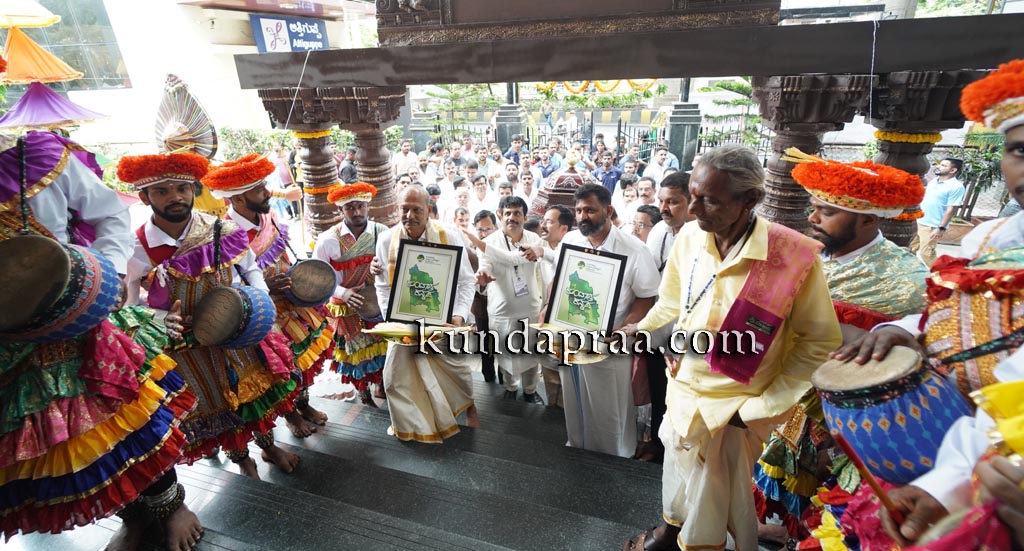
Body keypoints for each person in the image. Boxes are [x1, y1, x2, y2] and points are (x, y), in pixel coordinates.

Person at [830, 58, 1024, 550]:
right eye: (1020, 149)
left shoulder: (904, 271)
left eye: (827, 210)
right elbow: (960, 315)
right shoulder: (989, 239)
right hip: (952, 451)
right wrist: (908, 328)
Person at [622, 144, 842, 551]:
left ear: (750, 199)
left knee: (716, 495)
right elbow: (672, 303)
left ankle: (686, 542)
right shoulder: (690, 236)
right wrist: (641, 328)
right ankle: (670, 532)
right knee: (678, 470)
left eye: (710, 200)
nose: (694, 210)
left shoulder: (791, 256)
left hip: (737, 406)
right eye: (693, 195)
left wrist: (760, 408)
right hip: (683, 384)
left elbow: (818, 342)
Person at [0, 131, 200, 551]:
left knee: (125, 420)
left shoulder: (35, 155)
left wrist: (107, 275)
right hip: (8, 343)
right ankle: (133, 514)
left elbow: (110, 215)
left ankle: (172, 507)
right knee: (69, 444)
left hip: (78, 316)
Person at [753, 151, 931, 546]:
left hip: (854, 416)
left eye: (827, 211)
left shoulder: (908, 280)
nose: (813, 218)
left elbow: (916, 359)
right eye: (814, 208)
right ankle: (787, 532)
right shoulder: (806, 256)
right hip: (791, 395)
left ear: (868, 220)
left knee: (835, 499)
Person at [122, 152, 301, 481]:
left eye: (182, 188)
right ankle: (241, 458)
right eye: (162, 191)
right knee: (211, 404)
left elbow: (250, 270)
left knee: (253, 396)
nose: (175, 197)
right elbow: (130, 306)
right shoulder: (137, 247)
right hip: (184, 345)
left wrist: (261, 302)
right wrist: (159, 319)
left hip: (236, 331)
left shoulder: (222, 229)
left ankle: (268, 446)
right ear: (144, 197)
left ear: (193, 190)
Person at [205, 154, 335, 438]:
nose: (267, 192)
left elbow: (283, 254)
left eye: (264, 185)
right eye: (259, 189)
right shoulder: (225, 235)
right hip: (261, 313)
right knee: (279, 370)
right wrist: (265, 287)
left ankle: (304, 404)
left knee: (301, 360)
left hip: (291, 302)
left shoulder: (268, 216)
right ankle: (291, 416)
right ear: (238, 198)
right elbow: (228, 286)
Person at [555, 183, 660, 458]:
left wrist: (626, 329)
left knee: (610, 406)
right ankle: (578, 447)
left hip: (611, 341)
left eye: (590, 210)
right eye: (579, 211)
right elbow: (559, 281)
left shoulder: (634, 249)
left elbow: (646, 296)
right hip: (572, 336)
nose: (583, 217)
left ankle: (617, 456)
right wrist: (547, 309)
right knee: (574, 397)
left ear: (608, 210)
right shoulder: (570, 241)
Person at [374, 186, 481, 441]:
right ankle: (411, 425)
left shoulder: (449, 235)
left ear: (429, 210)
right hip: (404, 321)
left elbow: (467, 280)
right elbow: (382, 286)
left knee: (455, 372)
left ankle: (469, 407)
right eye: (404, 209)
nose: (409, 215)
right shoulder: (386, 240)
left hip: (444, 319)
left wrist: (458, 316)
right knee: (394, 377)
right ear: (397, 209)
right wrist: (393, 319)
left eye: (416, 209)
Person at [313, 183, 390, 406]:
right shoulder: (327, 239)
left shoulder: (382, 232)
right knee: (356, 352)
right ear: (340, 210)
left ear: (368, 206)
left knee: (383, 346)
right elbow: (318, 277)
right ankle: (363, 392)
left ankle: (382, 384)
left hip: (376, 300)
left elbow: (393, 264)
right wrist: (343, 293)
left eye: (360, 206)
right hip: (345, 306)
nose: (356, 212)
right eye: (350, 208)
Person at [476, 196, 547, 402]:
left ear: (525, 217)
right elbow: (485, 265)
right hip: (502, 310)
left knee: (531, 355)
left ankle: (530, 391)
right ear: (500, 215)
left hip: (530, 308)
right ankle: (510, 387)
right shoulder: (488, 243)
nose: (512, 217)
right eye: (507, 213)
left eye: (517, 213)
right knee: (505, 355)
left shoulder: (535, 240)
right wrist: (482, 276)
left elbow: (542, 270)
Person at [912, 157, 965, 267]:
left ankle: (943, 274)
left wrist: (940, 228)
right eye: (940, 164)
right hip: (918, 221)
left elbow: (951, 210)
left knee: (927, 254)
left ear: (953, 170)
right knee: (909, 249)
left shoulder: (956, 187)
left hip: (932, 226)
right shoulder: (934, 181)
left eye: (944, 166)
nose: (939, 167)